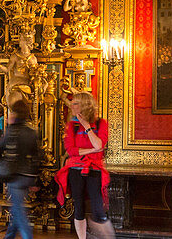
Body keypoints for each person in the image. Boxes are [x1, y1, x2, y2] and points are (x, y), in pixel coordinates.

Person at [56, 92, 114, 239]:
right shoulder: (72, 126)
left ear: (84, 105)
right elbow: (71, 150)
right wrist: (93, 150)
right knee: (79, 208)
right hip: (76, 170)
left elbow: (100, 144)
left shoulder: (101, 123)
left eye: (75, 103)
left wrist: (87, 127)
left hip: (94, 170)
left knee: (98, 209)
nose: (72, 106)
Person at [0, 100, 41, 239]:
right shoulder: (32, 131)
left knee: (18, 211)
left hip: (14, 174)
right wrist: (34, 180)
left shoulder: (12, 130)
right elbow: (36, 156)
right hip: (27, 175)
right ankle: (8, 237)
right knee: (17, 208)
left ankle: (28, 236)